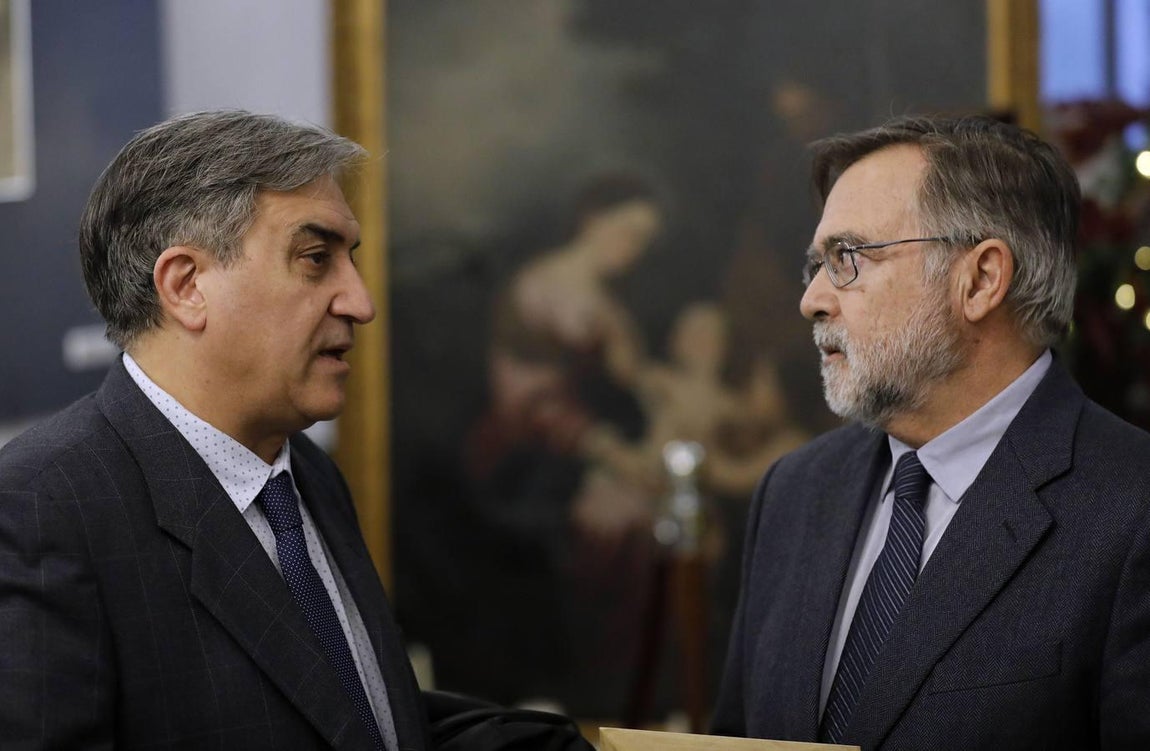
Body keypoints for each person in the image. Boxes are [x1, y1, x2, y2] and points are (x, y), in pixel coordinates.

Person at [0, 111, 592, 751]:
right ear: (187, 285)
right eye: (316, 259)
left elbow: (350, 718)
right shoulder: (44, 505)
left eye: (351, 261)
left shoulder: (305, 471)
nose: (360, 303)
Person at [711, 114, 1150, 750]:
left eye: (848, 258)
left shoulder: (1133, 509)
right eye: (816, 264)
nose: (811, 299)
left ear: (979, 280)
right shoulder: (796, 491)